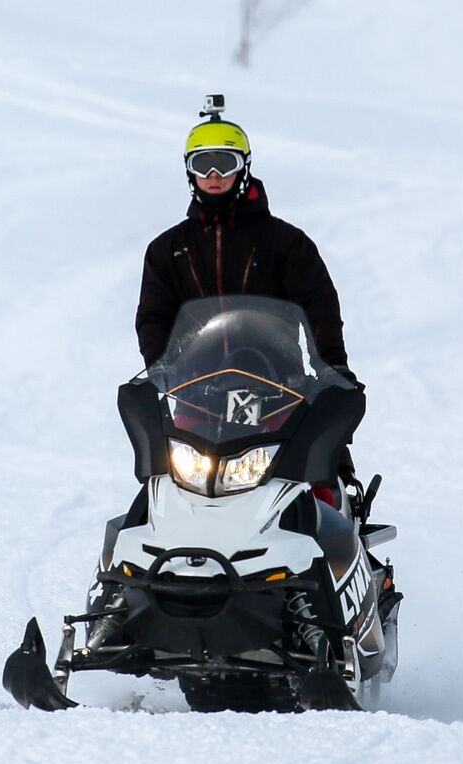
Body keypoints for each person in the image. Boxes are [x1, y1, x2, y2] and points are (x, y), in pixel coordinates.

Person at [135, 95, 361, 482]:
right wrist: (162, 370)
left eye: (225, 163)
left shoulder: (286, 243)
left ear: (244, 166)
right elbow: (154, 317)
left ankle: (339, 527)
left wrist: (332, 367)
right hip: (196, 395)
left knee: (314, 478)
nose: (213, 174)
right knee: (165, 485)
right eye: (201, 164)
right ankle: (144, 541)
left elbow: (319, 305)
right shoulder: (168, 250)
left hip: (277, 392)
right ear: (188, 172)